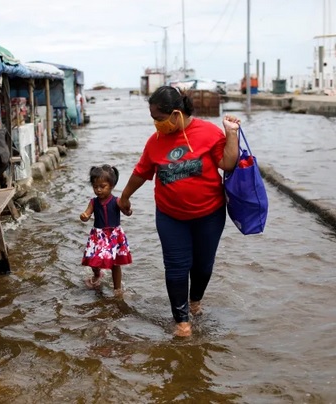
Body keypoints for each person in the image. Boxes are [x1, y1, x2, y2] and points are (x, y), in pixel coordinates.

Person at [117, 86, 241, 337]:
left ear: (176, 114)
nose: (155, 124)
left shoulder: (208, 132)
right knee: (175, 266)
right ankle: (182, 321)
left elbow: (228, 163)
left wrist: (231, 135)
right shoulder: (155, 142)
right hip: (170, 216)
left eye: (159, 119)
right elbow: (141, 172)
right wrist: (125, 197)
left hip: (209, 214)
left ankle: (195, 300)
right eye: (152, 118)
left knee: (203, 266)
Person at [80, 164, 133, 295]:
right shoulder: (93, 202)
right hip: (98, 236)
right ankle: (97, 274)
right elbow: (87, 214)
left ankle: (117, 288)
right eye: (95, 187)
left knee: (115, 264)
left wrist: (128, 210)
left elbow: (127, 212)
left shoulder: (117, 201)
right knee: (93, 261)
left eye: (102, 187)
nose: (98, 190)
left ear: (112, 186)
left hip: (114, 236)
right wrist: (84, 216)